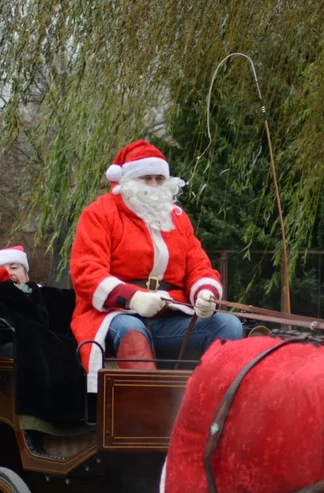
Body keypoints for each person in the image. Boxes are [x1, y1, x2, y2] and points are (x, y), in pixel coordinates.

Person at [69, 140, 242, 390]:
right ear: (127, 181)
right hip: (114, 314)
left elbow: (199, 266)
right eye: (145, 178)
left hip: (169, 316)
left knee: (228, 325)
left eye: (159, 179)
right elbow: (86, 272)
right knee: (131, 329)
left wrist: (206, 293)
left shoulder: (178, 220)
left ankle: (213, 405)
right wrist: (133, 298)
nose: (153, 185)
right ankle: (150, 410)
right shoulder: (99, 213)